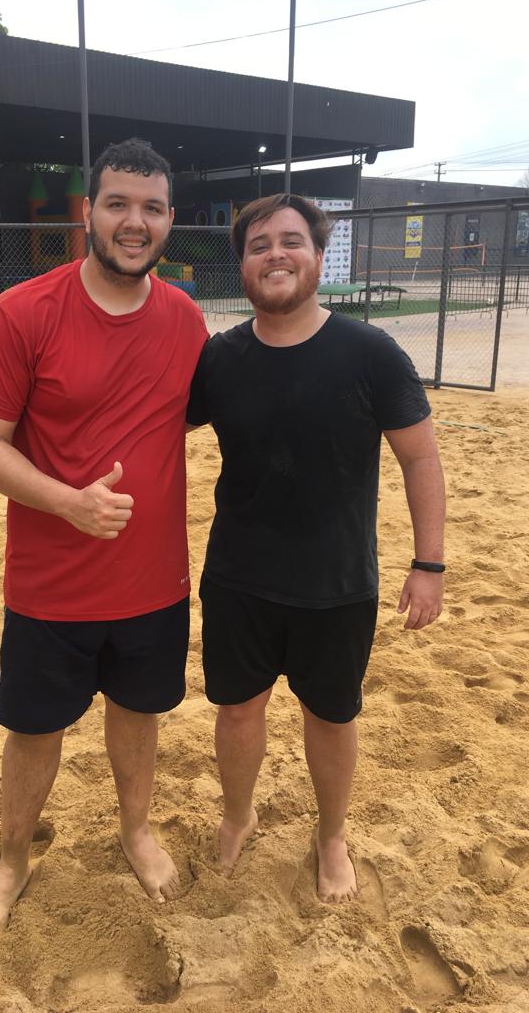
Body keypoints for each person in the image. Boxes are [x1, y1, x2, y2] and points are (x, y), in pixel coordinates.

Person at [0, 138, 208, 926]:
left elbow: (205, 412)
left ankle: (136, 831)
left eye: (152, 208)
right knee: (35, 729)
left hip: (154, 580)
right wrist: (68, 501)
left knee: (138, 715)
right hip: (50, 584)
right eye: (118, 204)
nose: (135, 222)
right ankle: (13, 859)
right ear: (90, 212)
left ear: (170, 220)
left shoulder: (185, 318)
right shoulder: (22, 312)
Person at [186, 194, 445, 903]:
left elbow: (420, 458)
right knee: (238, 710)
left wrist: (428, 564)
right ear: (242, 265)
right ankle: (238, 815)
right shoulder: (221, 358)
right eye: (258, 244)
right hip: (238, 576)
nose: (275, 254)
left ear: (319, 256)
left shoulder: (370, 353)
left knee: (331, 717)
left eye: (291, 241)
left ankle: (331, 835)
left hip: (337, 580)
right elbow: (152, 427)